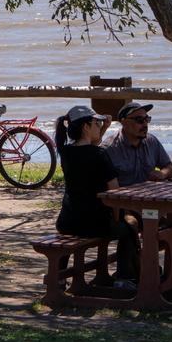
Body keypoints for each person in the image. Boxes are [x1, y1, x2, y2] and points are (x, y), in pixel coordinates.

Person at [55, 105, 140, 287]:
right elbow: (115, 192)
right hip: (95, 225)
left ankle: (60, 277)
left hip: (68, 222)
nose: (99, 125)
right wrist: (117, 219)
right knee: (130, 227)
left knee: (68, 234)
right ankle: (124, 277)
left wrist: (104, 127)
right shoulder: (100, 155)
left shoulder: (66, 152)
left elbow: (87, 148)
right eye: (96, 123)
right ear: (86, 126)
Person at [103, 101, 172, 186]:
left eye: (147, 119)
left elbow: (170, 166)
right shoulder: (109, 149)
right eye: (139, 120)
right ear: (124, 122)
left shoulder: (151, 141)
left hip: (149, 196)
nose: (145, 124)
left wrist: (163, 173)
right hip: (123, 198)